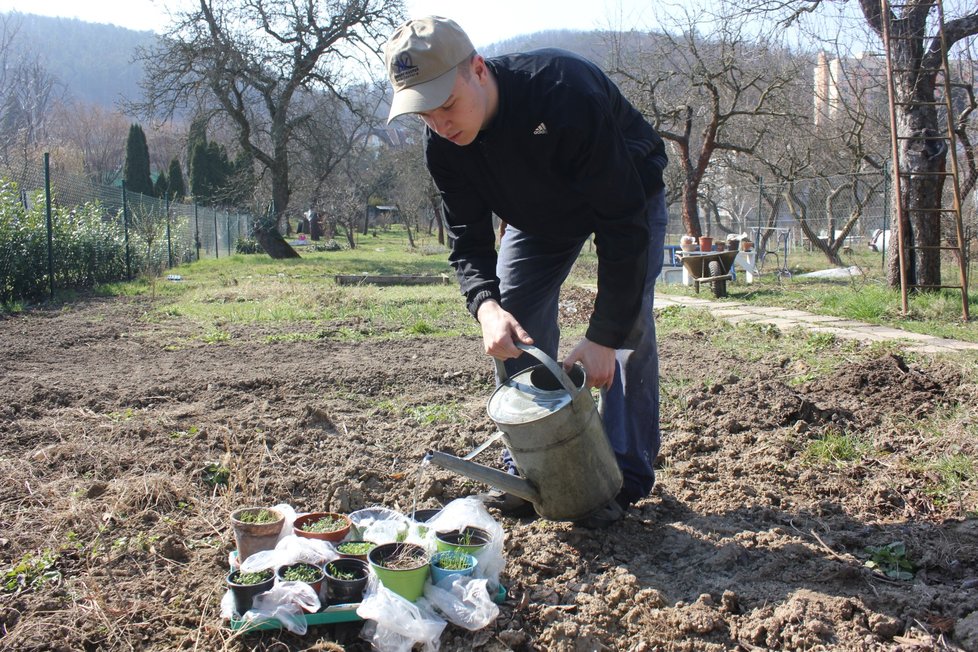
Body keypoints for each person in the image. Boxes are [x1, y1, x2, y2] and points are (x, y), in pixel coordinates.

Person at [384, 16, 669, 528]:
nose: (441, 123)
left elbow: (623, 225)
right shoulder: (443, 146)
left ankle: (622, 480)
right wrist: (486, 306)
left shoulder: (564, 92)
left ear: (477, 70)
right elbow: (467, 240)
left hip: (626, 197)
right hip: (540, 219)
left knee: (629, 334)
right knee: (514, 312)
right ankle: (536, 471)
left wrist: (604, 335)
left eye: (447, 103)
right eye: (424, 114)